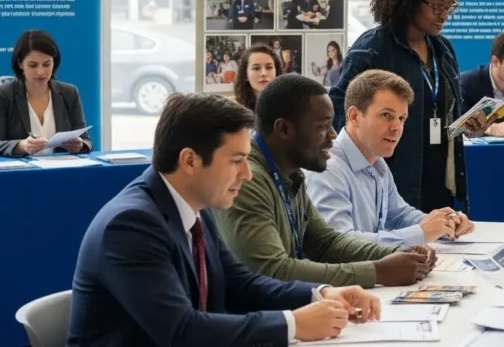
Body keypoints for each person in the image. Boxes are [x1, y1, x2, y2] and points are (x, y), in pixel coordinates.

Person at [67, 92, 382, 346]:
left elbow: (239, 284)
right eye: (236, 161)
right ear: (190, 160)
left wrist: (320, 293)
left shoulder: (195, 207)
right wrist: (293, 324)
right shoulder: (131, 226)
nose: (246, 175)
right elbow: (181, 331)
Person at [213, 74, 436, 289]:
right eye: (321, 126)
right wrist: (377, 271)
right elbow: (273, 270)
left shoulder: (290, 173)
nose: (332, 135)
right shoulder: (248, 180)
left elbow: (326, 243)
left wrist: (399, 253)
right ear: (284, 129)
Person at [329, 0, 482, 213]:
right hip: (392, 180)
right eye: (436, 6)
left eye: (449, 7)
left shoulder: (443, 50)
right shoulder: (373, 49)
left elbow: (443, 110)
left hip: (441, 179)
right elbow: (340, 115)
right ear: (409, 0)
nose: (444, 15)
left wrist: (466, 125)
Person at [308, 70, 475, 246]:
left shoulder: (376, 162)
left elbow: (397, 215)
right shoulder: (327, 169)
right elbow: (339, 244)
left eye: (401, 118)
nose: (397, 127)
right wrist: (421, 233)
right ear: (354, 116)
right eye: (386, 115)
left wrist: (443, 224)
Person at [0, 29, 91, 156]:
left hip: (60, 170)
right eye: (33, 65)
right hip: (19, 173)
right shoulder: (4, 95)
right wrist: (21, 146)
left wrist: (79, 144)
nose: (41, 72)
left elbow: (86, 140)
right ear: (20, 63)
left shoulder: (69, 92)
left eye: (47, 64)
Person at [233, 43, 283, 112]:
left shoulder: (290, 107)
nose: (264, 73)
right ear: (245, 75)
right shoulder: (234, 110)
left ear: (276, 71)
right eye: (256, 68)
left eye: (269, 67)